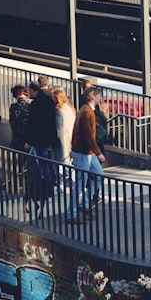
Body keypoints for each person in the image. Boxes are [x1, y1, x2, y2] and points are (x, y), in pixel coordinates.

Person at [67, 86, 106, 224]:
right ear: (93, 97)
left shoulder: (86, 110)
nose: (101, 98)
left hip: (86, 152)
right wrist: (99, 153)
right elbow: (89, 136)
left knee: (98, 176)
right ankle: (72, 213)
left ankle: (82, 205)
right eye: (99, 96)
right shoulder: (87, 113)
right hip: (84, 152)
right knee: (80, 183)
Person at [24, 81, 57, 159]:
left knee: (42, 163)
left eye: (28, 90)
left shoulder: (35, 104)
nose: (28, 93)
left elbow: (33, 123)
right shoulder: (48, 98)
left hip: (39, 139)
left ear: (32, 90)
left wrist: (29, 141)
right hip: (49, 136)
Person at [53, 88, 77, 166]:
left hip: (62, 142)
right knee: (69, 162)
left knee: (62, 164)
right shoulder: (70, 109)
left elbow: (59, 129)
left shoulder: (59, 111)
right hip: (71, 138)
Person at [8, 85, 32, 151]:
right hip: (29, 138)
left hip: (18, 138)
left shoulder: (14, 107)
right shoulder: (32, 105)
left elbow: (12, 123)